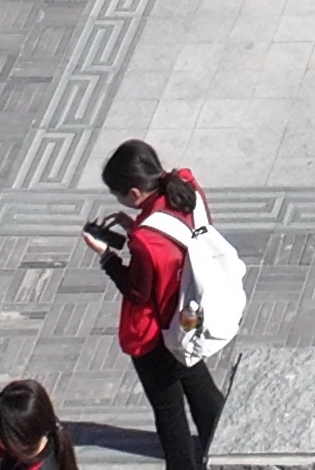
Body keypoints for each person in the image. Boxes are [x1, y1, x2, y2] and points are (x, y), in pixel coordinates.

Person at [89, 141, 241, 470]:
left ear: (133, 193)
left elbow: (137, 293)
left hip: (158, 330)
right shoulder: (184, 186)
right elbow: (177, 237)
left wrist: (106, 255)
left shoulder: (146, 241)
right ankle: (229, 449)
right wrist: (136, 225)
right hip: (192, 313)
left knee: (169, 410)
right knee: (198, 384)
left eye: (117, 194)